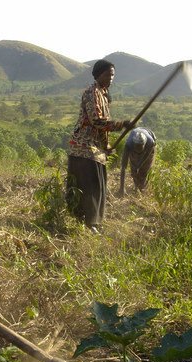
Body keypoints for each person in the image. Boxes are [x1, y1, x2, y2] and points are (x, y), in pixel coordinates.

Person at [66, 59, 131, 233]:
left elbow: (102, 128)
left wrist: (106, 146)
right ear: (98, 75)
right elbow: (96, 121)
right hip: (84, 148)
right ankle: (87, 223)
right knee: (90, 187)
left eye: (113, 75)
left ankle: (92, 223)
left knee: (99, 186)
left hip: (96, 149)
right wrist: (121, 124)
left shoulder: (103, 94)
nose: (111, 78)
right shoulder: (92, 92)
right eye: (107, 75)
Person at [117, 127, 156, 196]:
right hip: (133, 146)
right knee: (134, 168)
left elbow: (146, 156)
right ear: (134, 145)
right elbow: (123, 167)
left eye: (140, 147)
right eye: (137, 147)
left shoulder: (150, 142)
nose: (139, 149)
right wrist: (121, 188)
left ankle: (142, 189)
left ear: (144, 144)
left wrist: (139, 165)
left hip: (149, 146)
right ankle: (136, 186)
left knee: (144, 169)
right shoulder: (128, 144)